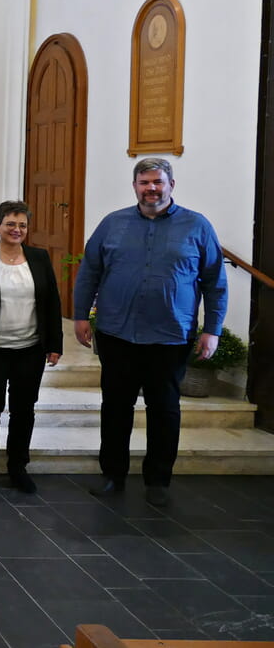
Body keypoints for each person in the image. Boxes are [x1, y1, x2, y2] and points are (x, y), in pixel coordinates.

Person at [74, 157, 227, 507]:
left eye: (158, 182)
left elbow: (215, 282)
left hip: (170, 335)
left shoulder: (196, 226)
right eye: (144, 182)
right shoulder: (113, 224)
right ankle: (112, 474)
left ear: (171, 184)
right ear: (135, 186)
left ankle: (158, 479)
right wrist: (81, 316)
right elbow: (89, 272)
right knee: (115, 406)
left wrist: (213, 329)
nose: (151, 188)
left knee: (164, 408)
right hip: (117, 332)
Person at [0, 201, 63, 494]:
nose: (16, 230)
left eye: (22, 225)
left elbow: (51, 302)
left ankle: (17, 467)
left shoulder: (39, 257)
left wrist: (55, 343)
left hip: (30, 349)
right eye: (10, 224)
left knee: (24, 411)